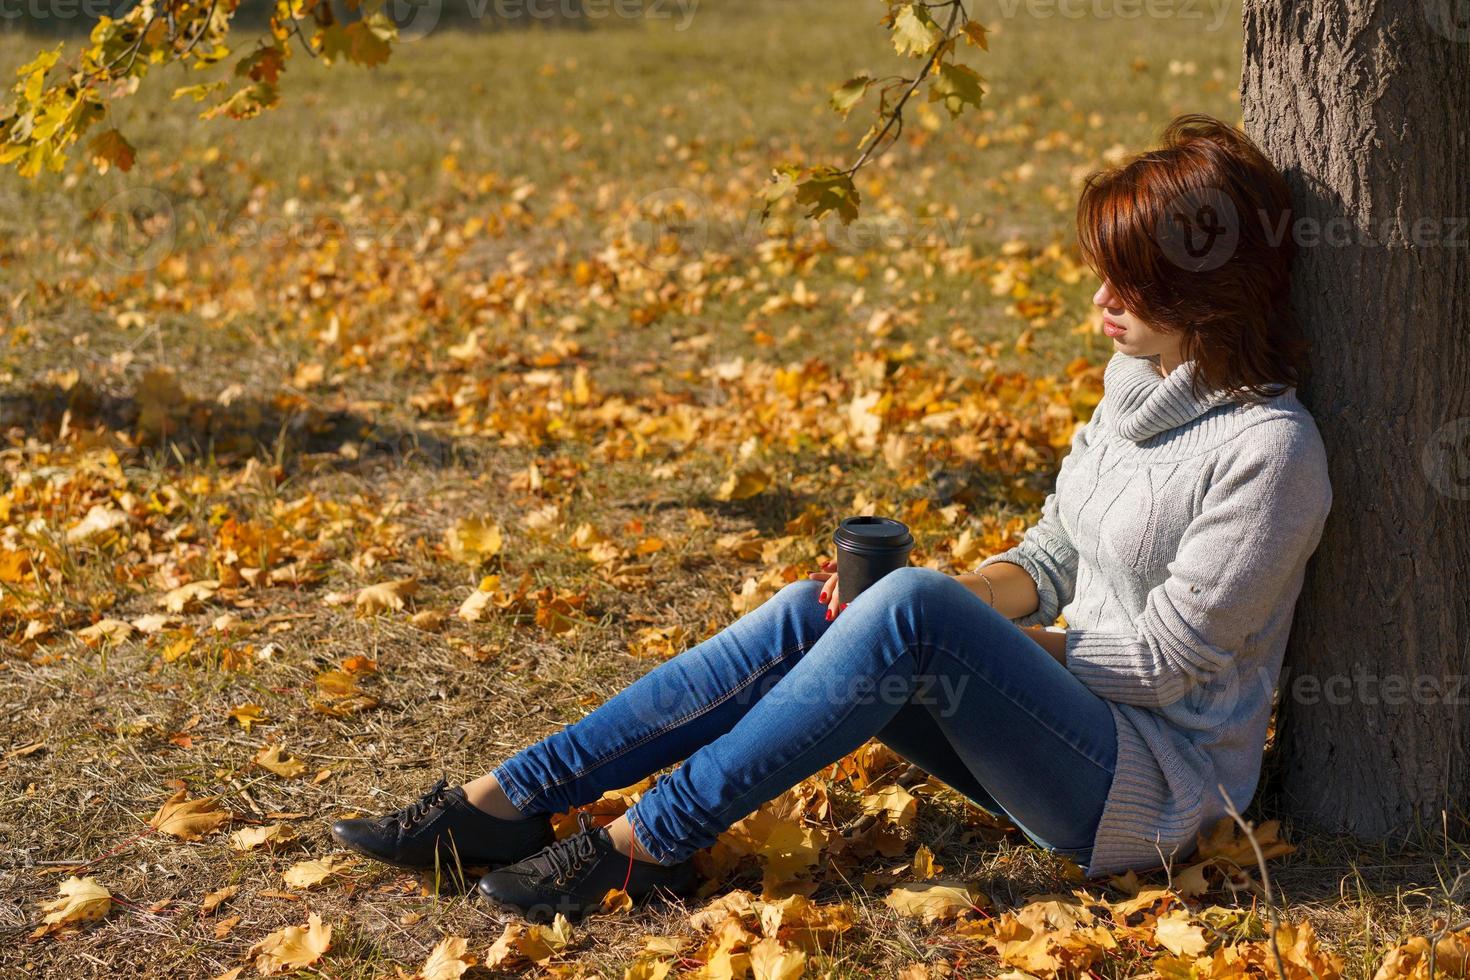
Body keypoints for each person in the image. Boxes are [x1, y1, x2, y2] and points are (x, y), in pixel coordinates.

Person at [330, 114, 1333, 924]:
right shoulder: (1136, 383)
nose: (1103, 298)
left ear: (1215, 293)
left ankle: (647, 845)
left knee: (908, 611)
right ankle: (507, 801)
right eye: (1104, 268)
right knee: (838, 605)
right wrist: (919, 610)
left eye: (1136, 282)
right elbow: (1054, 551)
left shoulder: (1270, 453)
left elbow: (1162, 662)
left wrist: (958, 631)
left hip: (1151, 791)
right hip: (1059, 729)